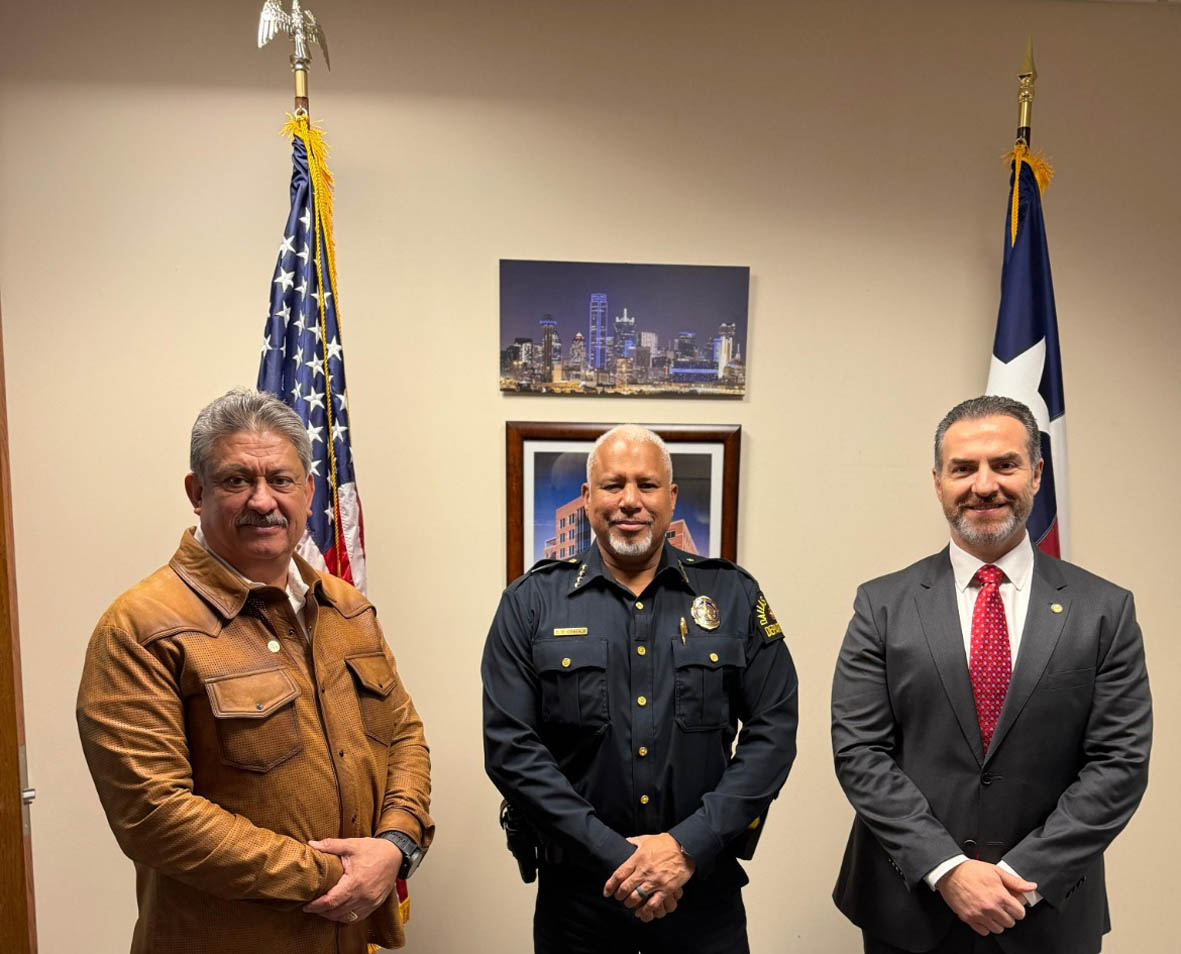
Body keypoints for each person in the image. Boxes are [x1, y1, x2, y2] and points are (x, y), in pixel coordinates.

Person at [77, 388, 433, 954]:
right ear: (197, 492)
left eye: (282, 480)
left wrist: (395, 843)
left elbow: (404, 736)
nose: (263, 500)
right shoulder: (140, 627)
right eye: (237, 480)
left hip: (348, 938)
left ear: (309, 491)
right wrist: (337, 874)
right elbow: (154, 815)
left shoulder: (346, 608)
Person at [831, 395, 1152, 954]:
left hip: (1045, 912)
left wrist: (1023, 877)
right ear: (938, 482)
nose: (984, 486)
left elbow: (1119, 763)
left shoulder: (1104, 609)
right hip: (910, 908)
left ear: (1036, 474)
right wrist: (947, 867)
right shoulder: (882, 605)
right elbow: (860, 751)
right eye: (963, 469)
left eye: (1005, 464)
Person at [482, 423, 798, 954]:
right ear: (588, 497)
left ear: (671, 497)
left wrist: (686, 847)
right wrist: (616, 856)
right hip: (579, 901)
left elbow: (775, 731)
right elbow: (510, 749)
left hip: (702, 895)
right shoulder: (530, 602)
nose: (630, 500)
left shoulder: (734, 594)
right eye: (613, 485)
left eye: (647, 485)